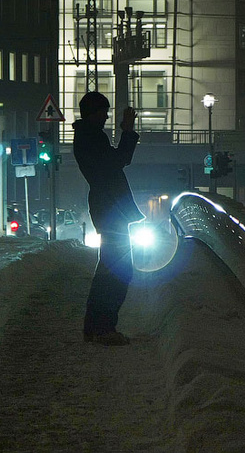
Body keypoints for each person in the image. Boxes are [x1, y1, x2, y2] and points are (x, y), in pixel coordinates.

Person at [72, 91, 144, 346]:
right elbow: (118, 161)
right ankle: (103, 328)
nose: (106, 117)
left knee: (110, 269)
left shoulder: (88, 137)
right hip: (110, 208)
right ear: (93, 113)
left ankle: (95, 327)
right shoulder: (90, 138)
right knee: (118, 270)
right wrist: (127, 132)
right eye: (103, 112)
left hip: (107, 207)